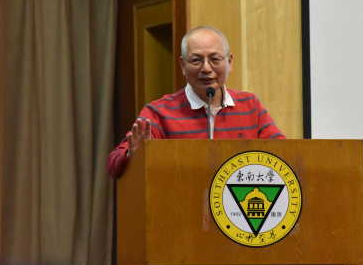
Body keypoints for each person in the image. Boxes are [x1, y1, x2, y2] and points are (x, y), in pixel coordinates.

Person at [107, 26, 285, 178]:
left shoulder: (250, 105)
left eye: (214, 59)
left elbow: (283, 153)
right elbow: (113, 163)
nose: (206, 68)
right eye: (196, 60)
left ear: (230, 62)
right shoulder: (159, 112)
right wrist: (134, 155)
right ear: (182, 65)